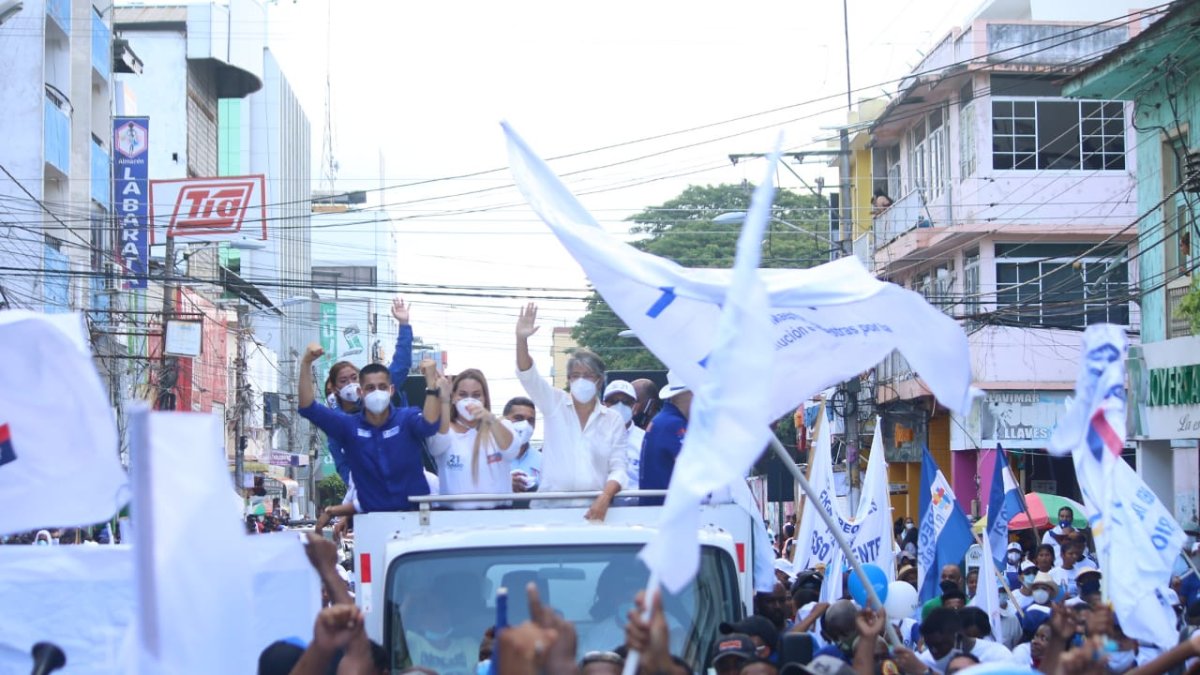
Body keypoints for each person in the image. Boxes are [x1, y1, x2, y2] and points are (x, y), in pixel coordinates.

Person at [298, 344, 445, 513]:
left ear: (391, 390)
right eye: (370, 388)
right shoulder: (347, 426)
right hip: (373, 522)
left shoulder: (407, 418)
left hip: (415, 518)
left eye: (382, 387)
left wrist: (432, 386)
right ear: (360, 392)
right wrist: (306, 363)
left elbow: (429, 426)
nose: (377, 392)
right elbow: (308, 408)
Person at [515, 303, 626, 519]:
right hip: (550, 512)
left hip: (596, 512)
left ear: (600, 381)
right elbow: (528, 375)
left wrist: (605, 496)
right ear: (568, 379)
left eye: (588, 375)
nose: (581, 381)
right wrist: (521, 340)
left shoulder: (613, 420)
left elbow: (618, 468)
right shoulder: (553, 403)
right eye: (576, 375)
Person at [322, 296, 416, 484]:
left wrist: (404, 324)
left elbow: (401, 364)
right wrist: (355, 485)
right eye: (343, 380)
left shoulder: (376, 391)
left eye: (354, 378)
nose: (351, 383)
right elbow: (341, 463)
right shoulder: (335, 423)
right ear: (334, 388)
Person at [428, 368, 518, 509]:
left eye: (476, 395)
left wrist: (490, 419)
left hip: (498, 518)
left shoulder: (502, 426)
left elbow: (511, 451)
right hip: (453, 520)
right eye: (462, 395)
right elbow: (436, 447)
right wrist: (444, 401)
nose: (469, 400)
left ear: (485, 399)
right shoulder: (445, 429)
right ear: (454, 398)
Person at [639, 370, 692, 506]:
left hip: (657, 508)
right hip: (666, 509)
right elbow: (694, 470)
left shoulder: (665, 420)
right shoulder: (674, 424)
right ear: (687, 394)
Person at [602, 380, 646, 499]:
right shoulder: (592, 437)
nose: (620, 406)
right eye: (613, 401)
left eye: (626, 402)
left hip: (637, 511)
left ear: (635, 406)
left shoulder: (644, 439)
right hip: (600, 509)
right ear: (604, 404)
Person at [504, 396, 540, 494]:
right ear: (505, 420)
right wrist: (505, 484)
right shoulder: (490, 458)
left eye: (530, 420)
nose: (525, 424)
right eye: (518, 418)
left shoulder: (544, 462)